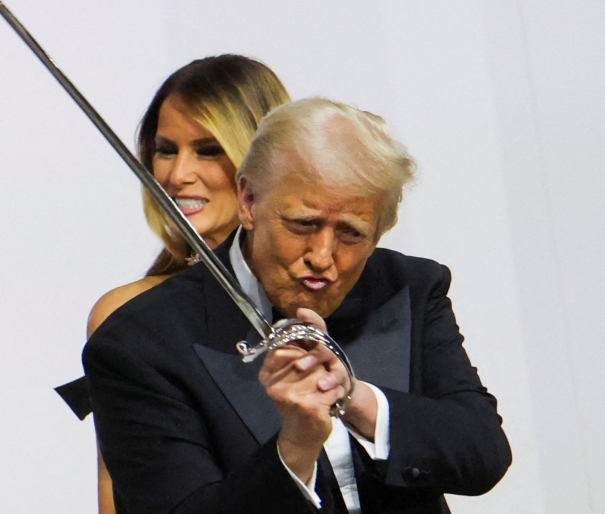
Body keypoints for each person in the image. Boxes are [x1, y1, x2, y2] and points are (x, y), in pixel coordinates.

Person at [84, 98, 512, 514]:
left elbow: (483, 452)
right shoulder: (139, 343)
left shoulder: (409, 288)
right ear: (248, 201)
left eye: (351, 233)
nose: (322, 256)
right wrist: (294, 450)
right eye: (303, 224)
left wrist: (357, 399)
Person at [55, 55, 290, 513]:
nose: (178, 174)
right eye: (166, 150)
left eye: (208, 150)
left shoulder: (329, 291)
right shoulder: (128, 317)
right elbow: (118, 486)